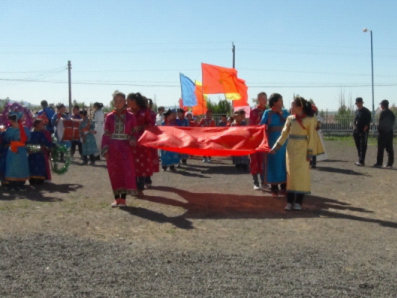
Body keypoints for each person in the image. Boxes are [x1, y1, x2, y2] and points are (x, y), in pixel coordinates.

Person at [269, 97, 324, 211]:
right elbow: (284, 134)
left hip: (303, 151)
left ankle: (298, 202)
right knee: (290, 176)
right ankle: (289, 202)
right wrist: (276, 148)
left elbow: (312, 137)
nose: (291, 107)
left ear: (300, 107)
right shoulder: (290, 119)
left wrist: (310, 153)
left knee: (301, 176)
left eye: (293, 105)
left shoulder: (310, 120)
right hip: (290, 150)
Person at [102, 91, 138, 207]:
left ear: (125, 102)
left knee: (125, 172)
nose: (118, 103)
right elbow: (106, 133)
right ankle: (116, 199)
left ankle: (123, 199)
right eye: (116, 101)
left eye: (121, 101)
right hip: (113, 148)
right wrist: (105, 150)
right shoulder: (109, 117)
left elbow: (135, 132)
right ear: (113, 102)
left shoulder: (131, 116)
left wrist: (133, 139)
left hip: (125, 148)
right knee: (114, 172)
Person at [260, 93, 289, 197]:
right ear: (275, 102)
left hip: (284, 142)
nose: (281, 102)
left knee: (284, 163)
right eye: (280, 100)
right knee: (273, 164)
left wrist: (281, 113)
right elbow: (261, 125)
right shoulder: (268, 113)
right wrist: (265, 126)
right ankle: (274, 189)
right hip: (272, 141)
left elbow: (291, 123)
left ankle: (284, 187)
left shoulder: (286, 112)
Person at [127, 93, 153, 195]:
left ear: (134, 101)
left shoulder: (144, 112)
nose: (127, 103)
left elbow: (150, 125)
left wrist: (141, 127)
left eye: (128, 101)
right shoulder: (127, 112)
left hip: (142, 141)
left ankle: (140, 188)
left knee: (141, 165)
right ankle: (133, 187)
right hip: (129, 142)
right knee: (131, 164)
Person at [5, 111, 31, 191]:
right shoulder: (23, 129)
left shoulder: (23, 129)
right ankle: (15, 184)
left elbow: (7, 138)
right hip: (16, 150)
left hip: (17, 150)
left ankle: (17, 184)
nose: (10, 122)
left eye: (11, 120)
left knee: (18, 166)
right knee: (14, 166)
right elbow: (28, 139)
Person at [27, 119, 55, 185]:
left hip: (31, 153)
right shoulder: (40, 134)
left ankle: (32, 179)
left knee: (32, 165)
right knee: (39, 166)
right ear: (37, 125)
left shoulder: (30, 133)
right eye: (41, 124)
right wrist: (54, 145)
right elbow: (46, 142)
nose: (43, 125)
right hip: (39, 153)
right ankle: (39, 180)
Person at [250, 92, 268, 190]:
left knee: (264, 160)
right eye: (261, 98)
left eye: (265, 98)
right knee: (255, 160)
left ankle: (264, 182)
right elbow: (252, 126)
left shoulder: (269, 111)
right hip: (256, 139)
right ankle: (255, 182)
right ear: (258, 99)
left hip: (266, 139)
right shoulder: (254, 112)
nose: (264, 100)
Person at [374, 99, 395, 168]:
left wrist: (378, 130)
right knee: (389, 148)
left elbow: (381, 123)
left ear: (383, 105)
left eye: (381, 105)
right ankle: (390, 164)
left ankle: (379, 163)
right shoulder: (392, 113)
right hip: (390, 132)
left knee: (380, 148)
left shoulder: (383, 113)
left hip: (383, 133)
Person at [353, 97, 372, 166]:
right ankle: (360, 159)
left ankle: (361, 161)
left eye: (360, 103)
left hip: (363, 131)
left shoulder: (366, 111)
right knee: (358, 145)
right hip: (356, 131)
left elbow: (368, 122)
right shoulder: (357, 111)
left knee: (362, 146)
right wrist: (354, 127)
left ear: (362, 103)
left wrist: (364, 130)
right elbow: (355, 120)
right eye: (357, 103)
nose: (358, 104)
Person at [146, 98, 160, 187]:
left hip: (149, 137)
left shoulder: (150, 113)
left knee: (148, 158)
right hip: (145, 136)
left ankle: (147, 179)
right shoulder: (140, 112)